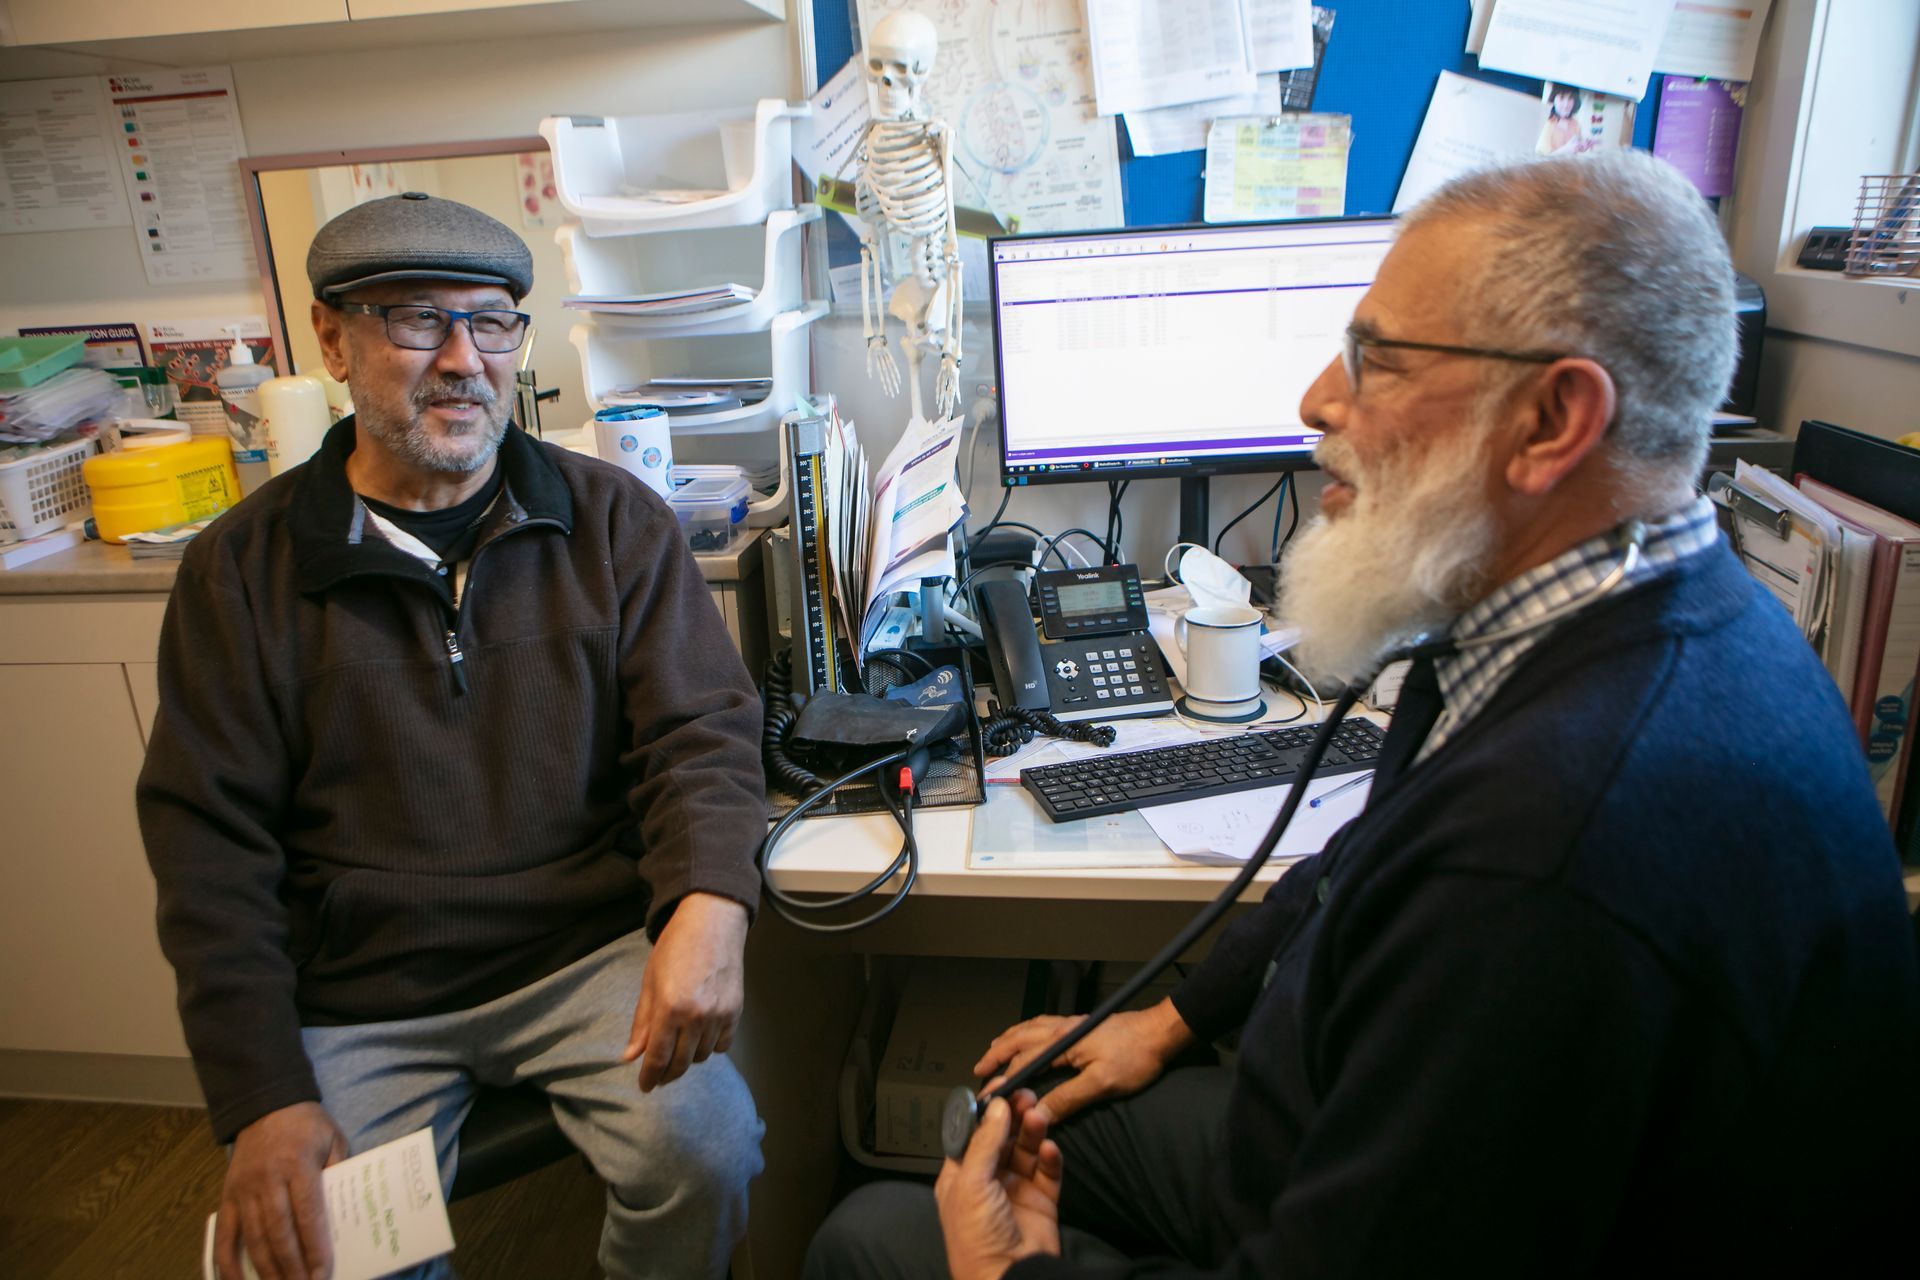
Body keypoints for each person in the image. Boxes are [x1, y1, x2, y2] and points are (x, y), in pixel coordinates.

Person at [807, 151, 1920, 1279]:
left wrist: (1013, 1274)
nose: (1315, 403)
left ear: (1553, 418)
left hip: (1348, 1196)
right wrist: (1177, 1017)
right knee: (987, 1145)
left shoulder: (1551, 854)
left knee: (871, 1240)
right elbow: (1362, 851)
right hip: (1335, 1136)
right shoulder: (1658, 612)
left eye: (1374, 360)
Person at [138, 193, 767, 1280]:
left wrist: (710, 900)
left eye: (492, 321)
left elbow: (699, 731)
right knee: (321, 1253)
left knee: (707, 1152)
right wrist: (263, 1095)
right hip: (363, 990)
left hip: (583, 953)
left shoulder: (613, 519)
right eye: (417, 319)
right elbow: (209, 851)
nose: (463, 359)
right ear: (331, 338)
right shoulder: (241, 571)